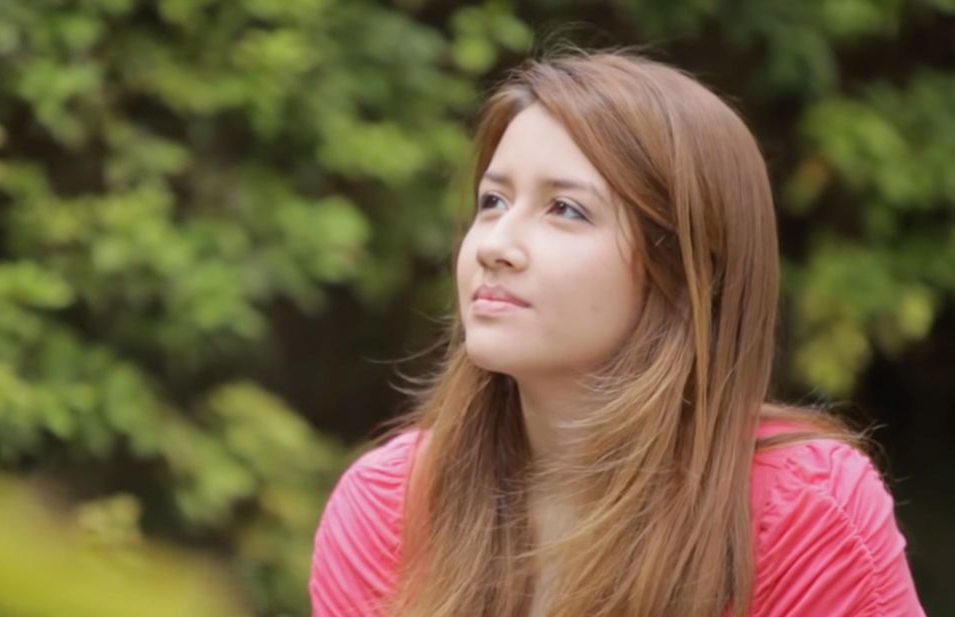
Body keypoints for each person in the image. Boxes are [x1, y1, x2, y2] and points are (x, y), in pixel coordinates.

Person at [308, 50, 926, 617]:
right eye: (492, 201)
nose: (495, 245)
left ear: (684, 273)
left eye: (566, 209)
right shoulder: (388, 507)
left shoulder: (800, 510)